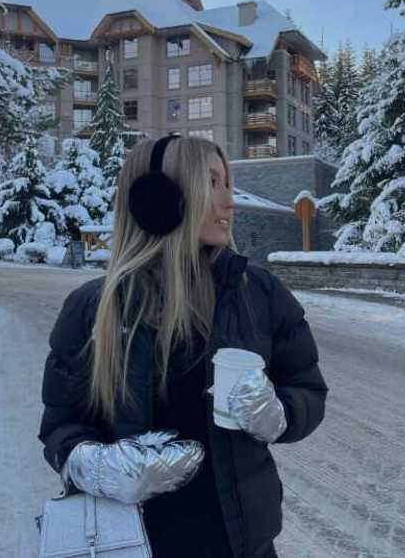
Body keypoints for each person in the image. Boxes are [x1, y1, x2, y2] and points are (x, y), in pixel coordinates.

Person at [39, 135, 328, 558]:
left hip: (243, 546)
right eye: (212, 183)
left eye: (228, 184)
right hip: (129, 544)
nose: (229, 202)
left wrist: (280, 415)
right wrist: (94, 464)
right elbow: (60, 426)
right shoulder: (92, 309)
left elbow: (307, 388)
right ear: (156, 199)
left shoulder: (259, 292)